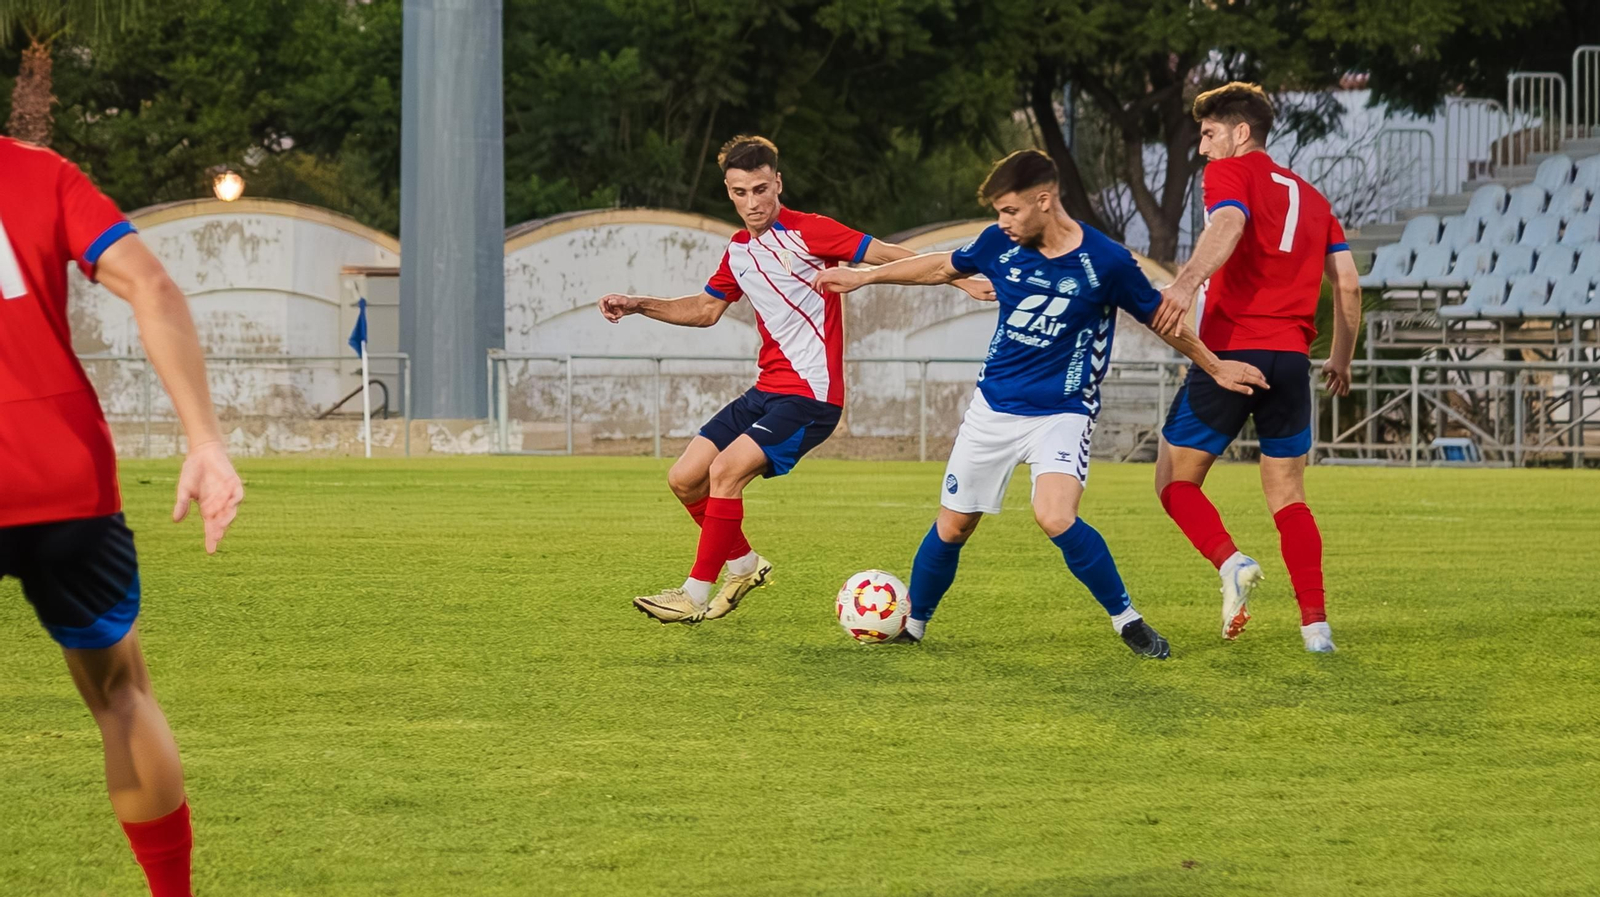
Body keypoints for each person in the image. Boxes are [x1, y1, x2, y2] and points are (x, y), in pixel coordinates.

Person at [817, 150, 1268, 657]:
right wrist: (863, 277)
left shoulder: (1108, 262)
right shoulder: (997, 243)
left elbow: (1164, 322)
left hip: (1063, 412)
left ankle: (1129, 622)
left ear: (1044, 200)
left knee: (1054, 515)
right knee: (954, 525)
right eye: (998, 212)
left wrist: (1216, 365)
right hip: (993, 408)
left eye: (1010, 211)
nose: (1002, 222)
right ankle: (913, 626)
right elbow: (941, 267)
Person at [597, 135, 992, 625]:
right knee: (684, 478)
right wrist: (638, 305)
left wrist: (961, 276)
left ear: (777, 183)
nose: (752, 202)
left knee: (725, 473)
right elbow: (704, 311)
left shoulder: (810, 232)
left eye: (760, 189)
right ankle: (743, 566)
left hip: (812, 396)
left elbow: (887, 254)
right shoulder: (738, 251)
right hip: (766, 391)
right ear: (729, 191)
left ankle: (694, 594)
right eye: (740, 192)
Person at [1, 136, 245, 897]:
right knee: (121, 694)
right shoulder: (37, 174)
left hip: (58, 475)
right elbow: (154, 286)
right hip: (59, 475)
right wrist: (205, 440)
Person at [1146, 82, 1361, 653]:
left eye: (1210, 134)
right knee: (1289, 496)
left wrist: (1186, 283)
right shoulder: (1314, 199)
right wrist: (1340, 356)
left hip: (1233, 351)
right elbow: (1347, 284)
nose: (1202, 148)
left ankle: (1232, 562)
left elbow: (1230, 225)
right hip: (1291, 358)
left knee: (1173, 481)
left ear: (1242, 133)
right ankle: (1316, 630)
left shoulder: (1231, 175)